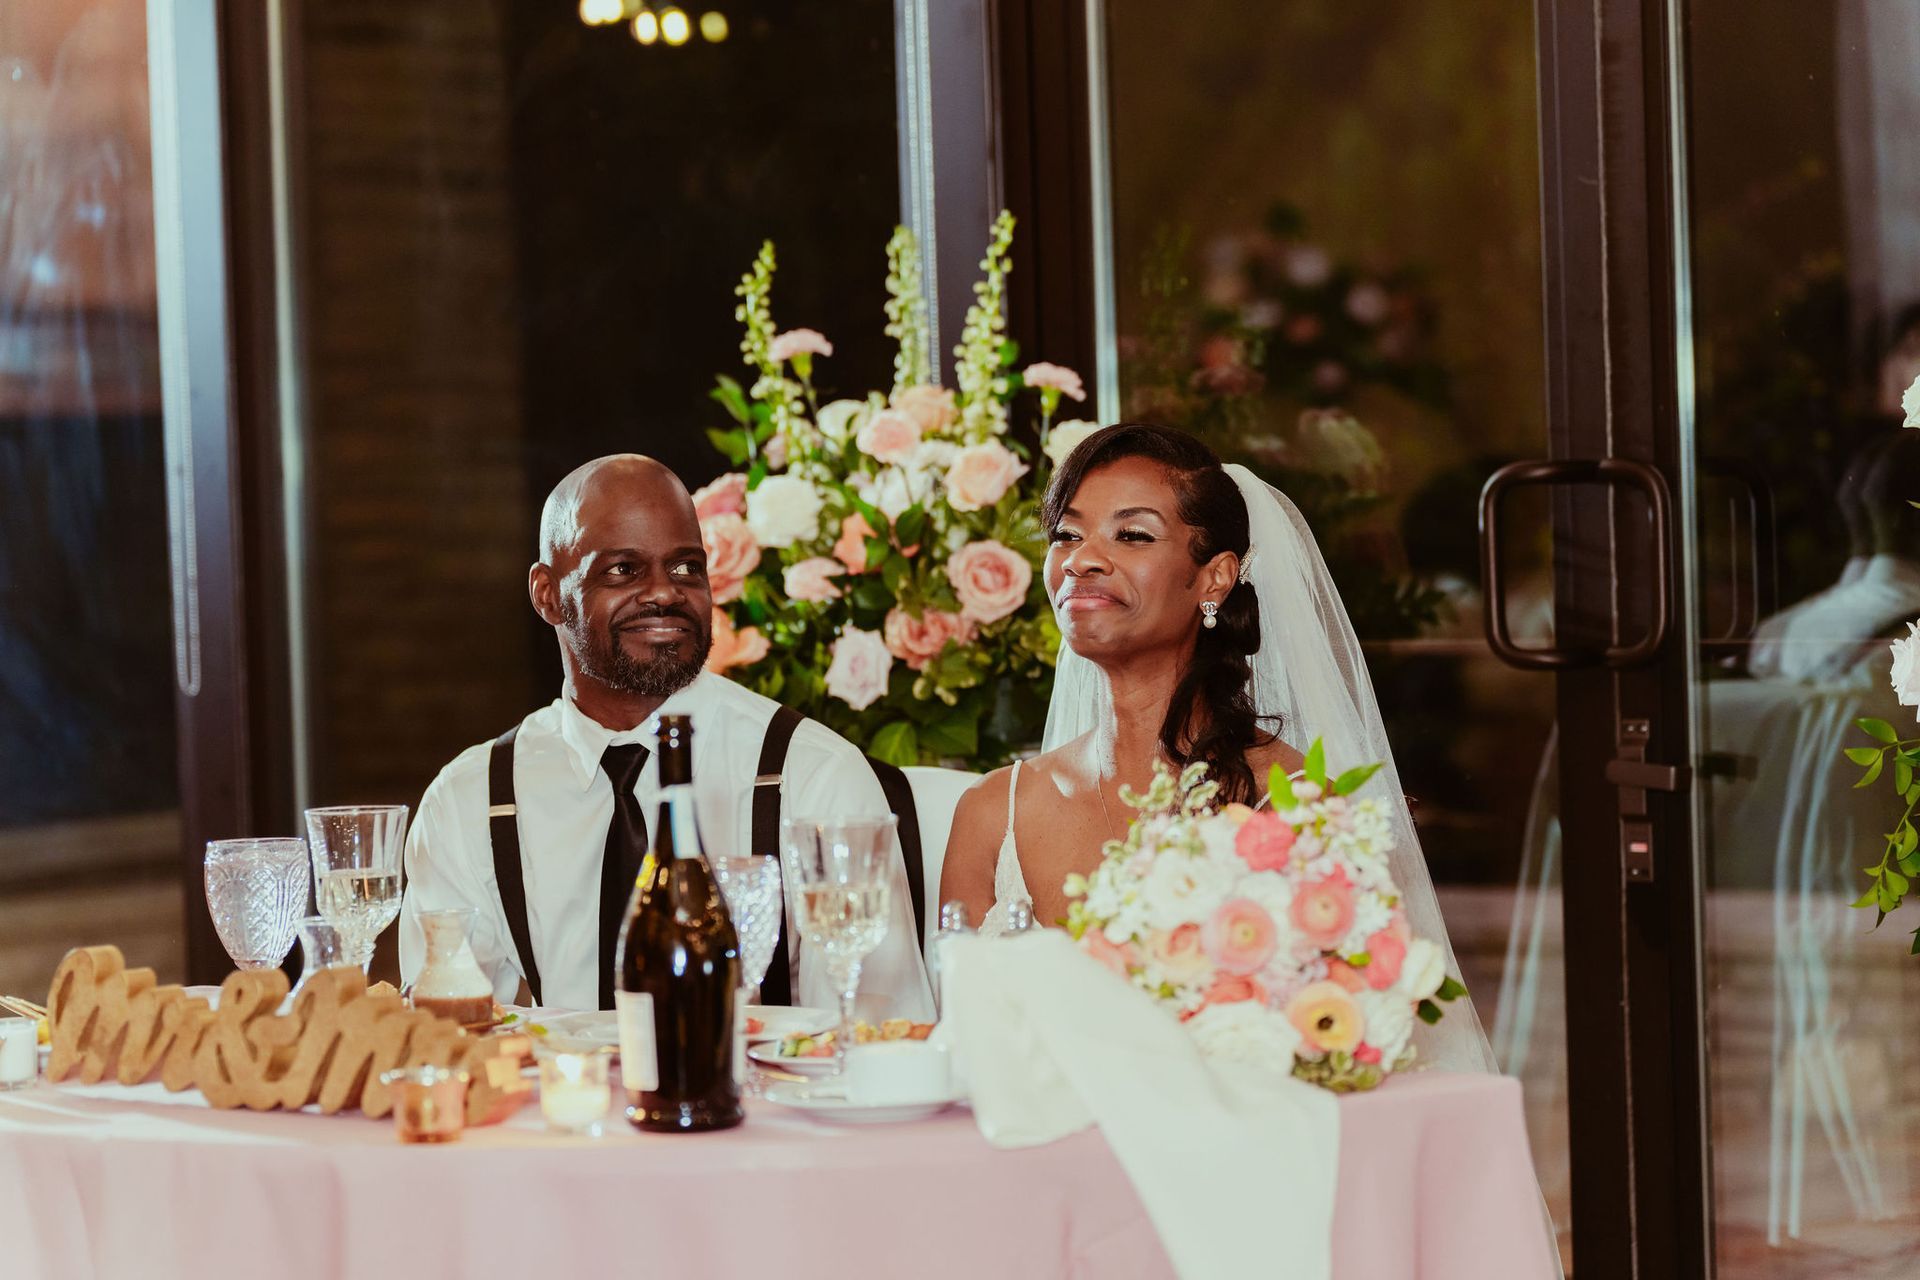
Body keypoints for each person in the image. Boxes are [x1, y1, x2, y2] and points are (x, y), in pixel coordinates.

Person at [939, 423, 1492, 1070]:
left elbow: (1344, 1050)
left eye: (1133, 534)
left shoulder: (1297, 810)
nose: (1082, 558)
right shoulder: (990, 814)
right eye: (1067, 533)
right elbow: (961, 1050)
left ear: (1215, 578)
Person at [400, 454, 933, 1017]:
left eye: (685, 568)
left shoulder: (813, 776)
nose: (664, 593)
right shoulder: (471, 799)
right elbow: (451, 1038)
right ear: (548, 594)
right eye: (623, 570)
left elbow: (877, 1037)